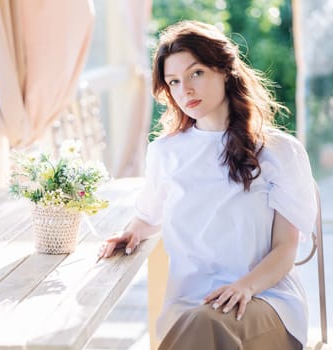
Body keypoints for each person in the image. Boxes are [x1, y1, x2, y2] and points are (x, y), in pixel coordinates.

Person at [98, 20, 317, 350]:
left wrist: (244, 286)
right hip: (190, 308)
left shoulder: (279, 151)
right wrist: (133, 232)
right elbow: (148, 218)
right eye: (173, 81)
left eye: (196, 73)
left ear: (224, 70)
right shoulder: (165, 153)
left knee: (206, 326)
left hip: (264, 302)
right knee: (202, 324)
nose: (184, 89)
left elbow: (286, 249)